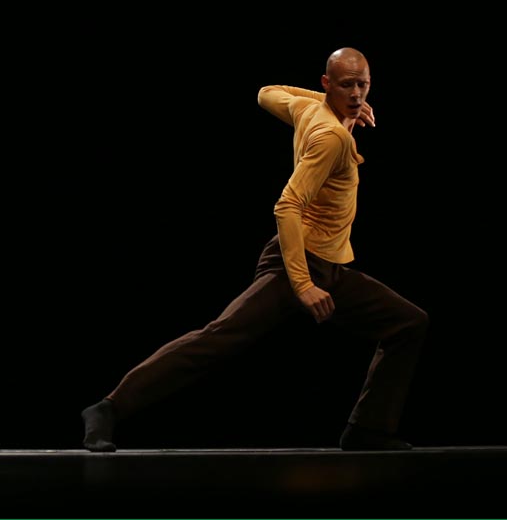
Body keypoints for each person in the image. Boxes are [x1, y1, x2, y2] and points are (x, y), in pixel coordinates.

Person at [81, 47, 428, 452]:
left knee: (408, 323)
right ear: (326, 84)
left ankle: (368, 429)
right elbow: (287, 206)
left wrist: (336, 103)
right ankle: (107, 409)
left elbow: (266, 93)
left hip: (329, 265)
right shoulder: (331, 136)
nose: (356, 94)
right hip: (297, 263)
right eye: (345, 85)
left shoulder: (310, 108)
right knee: (218, 338)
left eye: (362, 85)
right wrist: (302, 284)